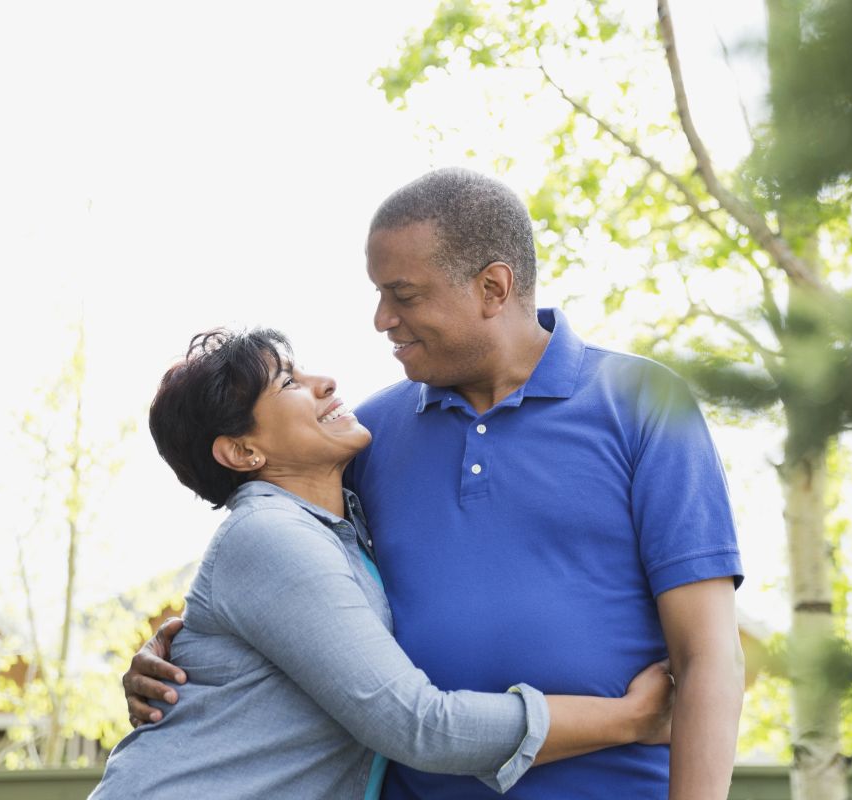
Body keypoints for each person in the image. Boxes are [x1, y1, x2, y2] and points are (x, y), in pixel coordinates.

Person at [126, 169, 745, 800]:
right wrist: (181, 657)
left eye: (404, 294)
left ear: (493, 288)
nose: (381, 319)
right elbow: (297, 581)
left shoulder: (642, 404)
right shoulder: (370, 434)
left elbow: (707, 656)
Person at [93, 328, 674, 799]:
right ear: (244, 451)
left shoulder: (342, 525)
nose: (325, 383)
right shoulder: (269, 535)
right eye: (289, 382)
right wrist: (632, 719)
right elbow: (416, 726)